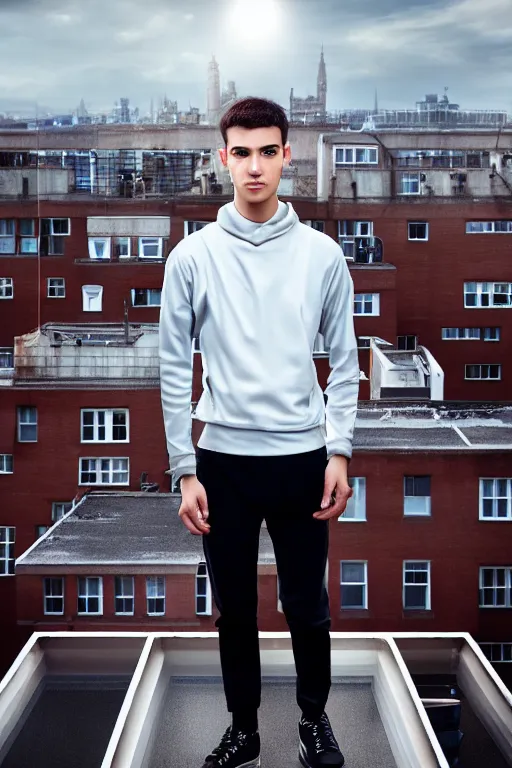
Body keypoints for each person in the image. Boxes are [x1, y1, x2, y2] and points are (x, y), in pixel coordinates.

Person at [159, 97, 359, 768]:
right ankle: (243, 731)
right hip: (224, 464)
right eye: (240, 152)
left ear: (285, 157)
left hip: (303, 459)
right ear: (224, 159)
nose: (253, 166)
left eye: (266, 151)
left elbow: (345, 363)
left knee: (309, 606)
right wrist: (184, 469)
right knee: (234, 610)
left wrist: (339, 450)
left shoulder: (322, 255)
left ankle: (313, 723)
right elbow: (169, 368)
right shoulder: (191, 256)